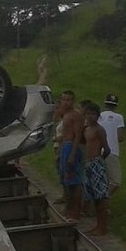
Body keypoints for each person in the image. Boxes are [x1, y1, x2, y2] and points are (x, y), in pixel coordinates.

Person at [79, 100, 111, 235]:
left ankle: (102, 226)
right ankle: (97, 225)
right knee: (92, 195)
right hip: (87, 164)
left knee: (100, 196)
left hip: (97, 163)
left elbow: (106, 148)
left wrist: (99, 160)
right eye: (88, 114)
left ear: (98, 116)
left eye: (93, 114)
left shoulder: (99, 129)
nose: (90, 116)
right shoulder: (86, 130)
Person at [55, 90, 84, 220]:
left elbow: (78, 135)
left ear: (73, 101)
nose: (66, 102)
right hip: (65, 147)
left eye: (69, 100)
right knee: (66, 179)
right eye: (64, 99)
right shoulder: (65, 115)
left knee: (74, 181)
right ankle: (69, 208)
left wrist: (72, 154)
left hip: (71, 146)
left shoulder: (75, 115)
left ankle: (75, 211)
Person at [97, 93, 125, 197]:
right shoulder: (119, 117)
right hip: (112, 151)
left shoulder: (99, 116)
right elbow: (120, 137)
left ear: (105, 104)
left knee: (100, 178)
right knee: (115, 181)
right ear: (116, 105)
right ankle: (103, 198)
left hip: (98, 150)